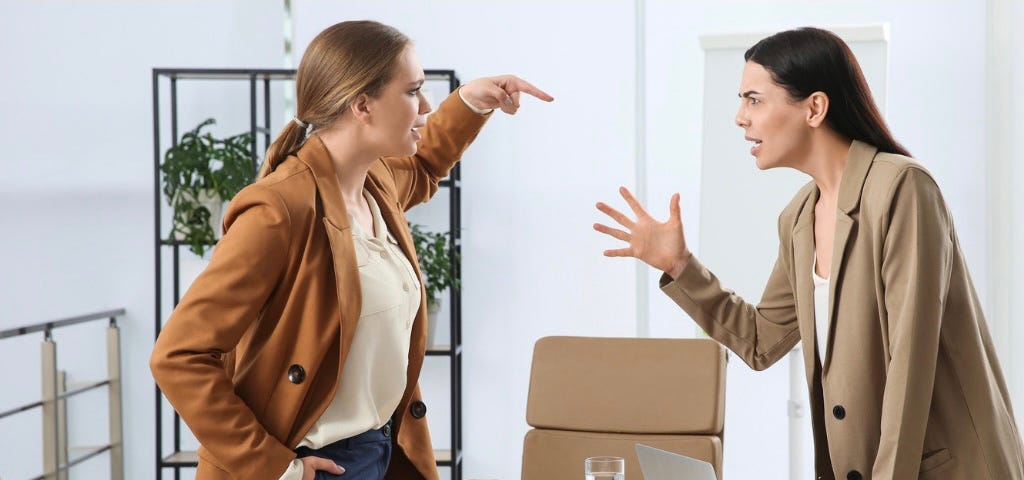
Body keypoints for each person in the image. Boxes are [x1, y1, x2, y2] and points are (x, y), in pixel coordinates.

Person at [594, 27, 1023, 480]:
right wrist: (679, 266)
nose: (740, 117)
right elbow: (762, 340)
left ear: (815, 107)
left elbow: (910, 366)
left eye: (753, 99)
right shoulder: (799, 217)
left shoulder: (902, 189)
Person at [150, 20, 552, 480]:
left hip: (382, 450)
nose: (425, 107)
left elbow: (423, 166)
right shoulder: (278, 211)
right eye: (413, 92)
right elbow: (179, 355)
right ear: (362, 105)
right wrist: (275, 467)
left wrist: (471, 102)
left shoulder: (373, 182)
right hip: (313, 461)